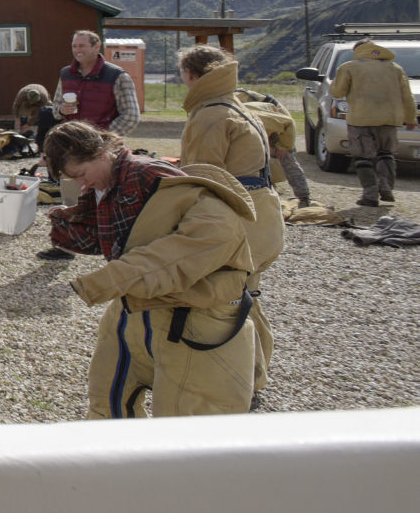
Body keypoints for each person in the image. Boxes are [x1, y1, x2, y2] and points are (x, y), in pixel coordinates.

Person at [44, 121, 258, 418]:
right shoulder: (111, 187)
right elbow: (114, 238)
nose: (83, 184)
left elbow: (187, 249)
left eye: (82, 175)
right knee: (107, 403)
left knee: (186, 429)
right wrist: (61, 224)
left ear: (101, 152)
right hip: (136, 309)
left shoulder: (163, 183)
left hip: (190, 316)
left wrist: (108, 280)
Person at [178, 45, 281, 398]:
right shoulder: (235, 105)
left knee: (231, 299)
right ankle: (255, 375)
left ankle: (246, 381)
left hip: (238, 213)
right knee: (247, 292)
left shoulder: (211, 115)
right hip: (261, 210)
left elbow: (203, 176)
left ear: (191, 76)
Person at [41, 29, 143, 258]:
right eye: (75, 46)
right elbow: (56, 108)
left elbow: (131, 116)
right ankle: (68, 245)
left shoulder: (118, 76)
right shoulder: (66, 74)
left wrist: (102, 139)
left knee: (106, 198)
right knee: (71, 196)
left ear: (96, 48)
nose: (77, 50)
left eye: (82, 46)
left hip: (102, 153)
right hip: (70, 151)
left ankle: (116, 246)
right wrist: (60, 110)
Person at [329, 36, 418, 207]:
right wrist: (410, 118)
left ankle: (370, 194)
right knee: (386, 154)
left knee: (363, 157)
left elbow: (337, 92)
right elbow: (407, 97)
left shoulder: (349, 67)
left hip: (361, 119)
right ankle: (386, 188)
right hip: (389, 120)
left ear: (357, 51)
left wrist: (334, 84)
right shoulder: (395, 68)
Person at [237, 85, 312, 207]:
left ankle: (304, 198)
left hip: (279, 122)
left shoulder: (252, 116)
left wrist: (284, 146)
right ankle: (266, 192)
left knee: (286, 158)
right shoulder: (218, 117)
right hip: (252, 123)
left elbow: (288, 123)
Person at [12, 83, 56, 153]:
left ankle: (43, 138)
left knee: (46, 113)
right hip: (26, 101)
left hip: (41, 101)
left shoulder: (44, 98)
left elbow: (41, 112)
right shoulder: (22, 95)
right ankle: (21, 132)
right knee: (22, 112)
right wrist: (17, 119)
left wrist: (29, 124)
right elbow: (16, 106)